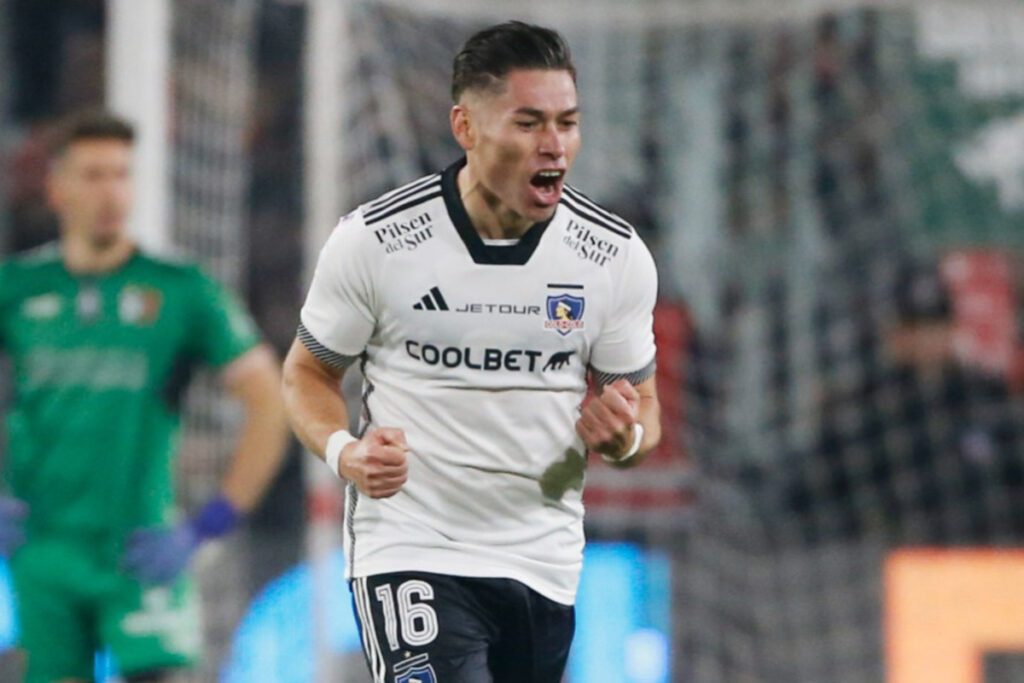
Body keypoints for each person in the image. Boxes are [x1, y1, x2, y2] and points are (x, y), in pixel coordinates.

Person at [282, 21, 661, 682]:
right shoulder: (377, 241)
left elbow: (642, 408)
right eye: (529, 123)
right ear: (466, 126)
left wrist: (624, 436)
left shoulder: (612, 256)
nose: (554, 146)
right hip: (410, 544)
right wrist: (347, 453)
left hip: (540, 558)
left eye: (567, 123)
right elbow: (307, 372)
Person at [0, 110, 290, 683]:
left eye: (121, 174)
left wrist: (210, 521)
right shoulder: (17, 288)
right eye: (93, 176)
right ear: (56, 188)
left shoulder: (180, 290)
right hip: (44, 549)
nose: (112, 192)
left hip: (138, 546)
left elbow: (269, 400)